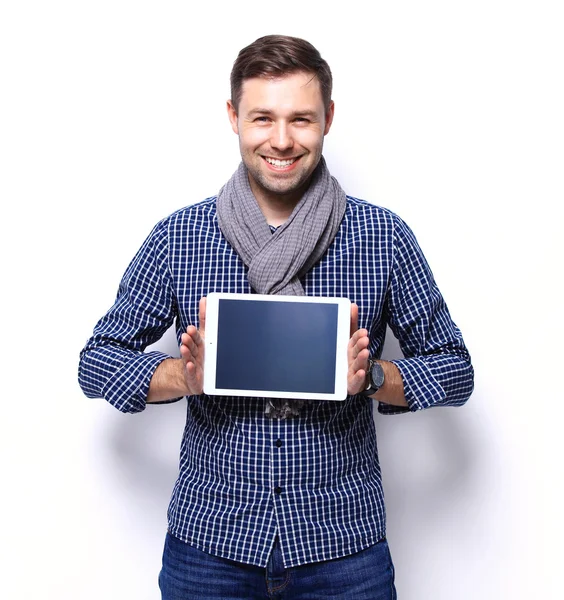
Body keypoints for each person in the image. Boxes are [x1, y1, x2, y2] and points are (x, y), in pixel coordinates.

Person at [79, 34, 474, 599]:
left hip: (344, 547)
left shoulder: (382, 237)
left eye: (302, 119)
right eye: (263, 117)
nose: (282, 140)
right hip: (210, 545)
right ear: (234, 117)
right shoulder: (181, 237)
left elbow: (455, 370)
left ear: (329, 119)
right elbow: (97, 363)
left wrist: (374, 380)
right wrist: (182, 378)